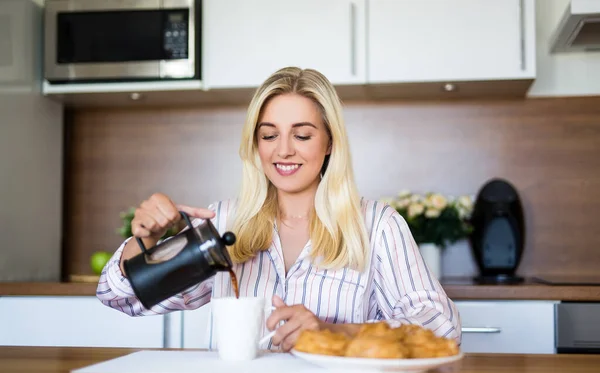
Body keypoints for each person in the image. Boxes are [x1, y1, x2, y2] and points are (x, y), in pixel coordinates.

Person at [97, 66, 462, 352]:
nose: (283, 150)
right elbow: (120, 297)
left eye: (302, 135)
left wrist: (332, 329)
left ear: (330, 141)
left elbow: (441, 326)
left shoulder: (376, 225)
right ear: (256, 144)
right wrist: (144, 242)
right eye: (269, 135)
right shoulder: (224, 223)